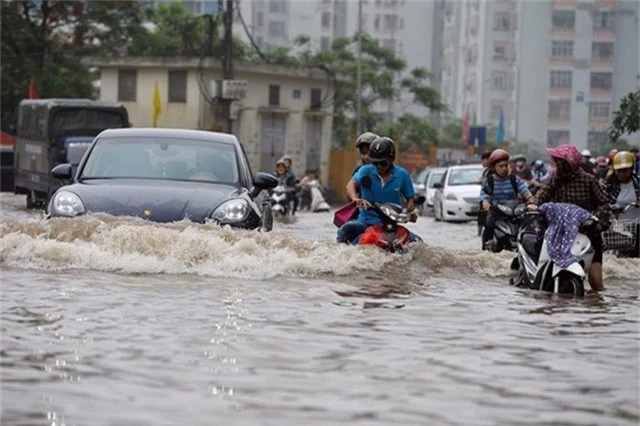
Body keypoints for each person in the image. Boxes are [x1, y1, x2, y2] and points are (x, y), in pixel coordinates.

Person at [529, 144, 611, 292]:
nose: (555, 165)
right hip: (560, 230)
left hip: (588, 231)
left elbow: (604, 203)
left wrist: (598, 222)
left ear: (565, 163)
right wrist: (534, 204)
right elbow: (543, 193)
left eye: (557, 161)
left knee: (596, 284)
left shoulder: (589, 180)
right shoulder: (556, 179)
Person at [337, 137, 418, 244]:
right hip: (365, 222)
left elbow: (410, 198)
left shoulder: (402, 174)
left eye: (383, 163)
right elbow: (350, 185)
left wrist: (410, 212)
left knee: (418, 242)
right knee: (345, 229)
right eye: (375, 163)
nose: (379, 167)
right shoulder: (365, 170)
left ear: (391, 159)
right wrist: (356, 198)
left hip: (392, 224)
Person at [480, 149, 534, 250]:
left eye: (506, 165)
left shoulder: (514, 179)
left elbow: (525, 191)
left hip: (515, 212)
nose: (504, 168)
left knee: (531, 226)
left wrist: (532, 200)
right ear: (493, 167)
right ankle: (485, 248)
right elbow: (484, 196)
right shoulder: (489, 181)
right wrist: (485, 203)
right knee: (489, 225)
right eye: (501, 166)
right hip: (497, 213)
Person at [476, 151, 492, 236]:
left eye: (482, 160)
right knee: (481, 217)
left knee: (488, 217)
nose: (481, 163)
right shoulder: (486, 171)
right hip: (483, 197)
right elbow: (481, 179)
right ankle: (479, 235)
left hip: (490, 198)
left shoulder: (493, 170)